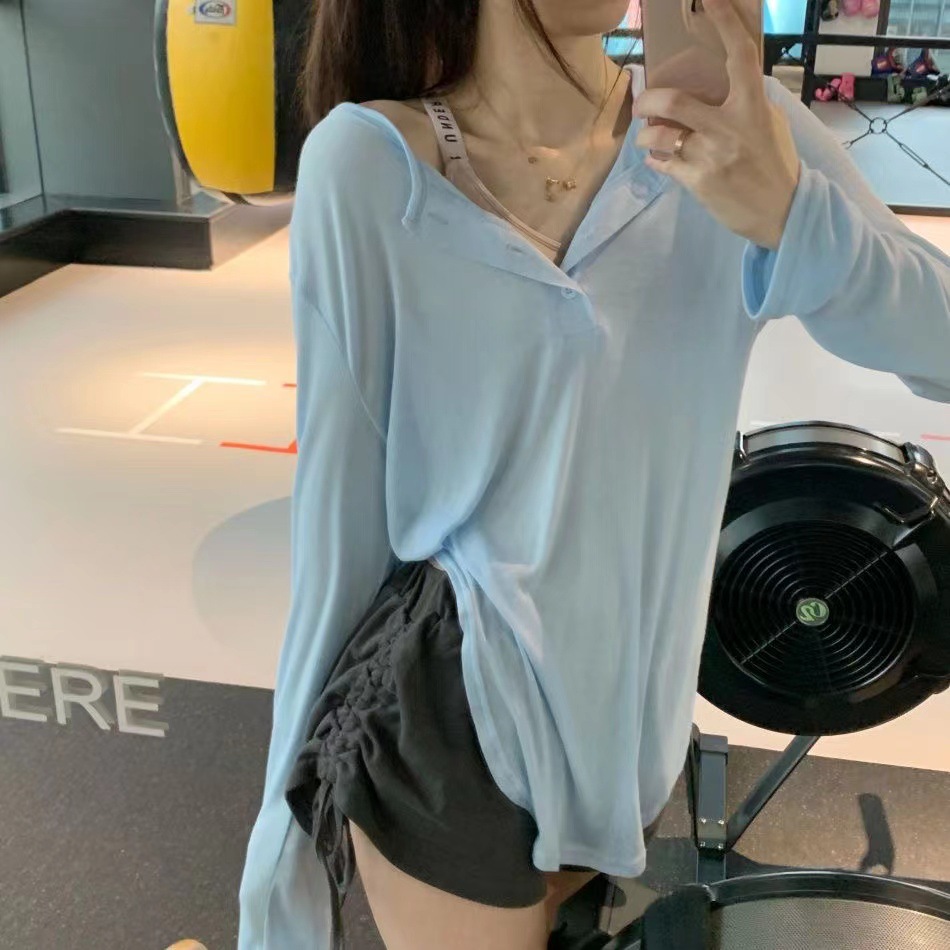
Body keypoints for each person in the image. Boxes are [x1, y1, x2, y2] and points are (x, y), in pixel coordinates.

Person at [238, 0, 950, 947]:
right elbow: (338, 518)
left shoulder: (740, 136)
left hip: (628, 712)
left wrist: (790, 217)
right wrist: (278, 858)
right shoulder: (375, 164)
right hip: (447, 695)